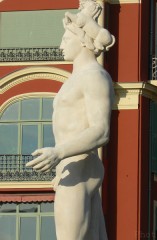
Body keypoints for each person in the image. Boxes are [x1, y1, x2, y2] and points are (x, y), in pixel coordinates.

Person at [26, 1, 115, 239]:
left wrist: (59, 152)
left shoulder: (94, 77)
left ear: (82, 41)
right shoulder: (75, 80)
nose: (60, 46)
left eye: (66, 40)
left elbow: (101, 131)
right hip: (70, 169)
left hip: (78, 169)